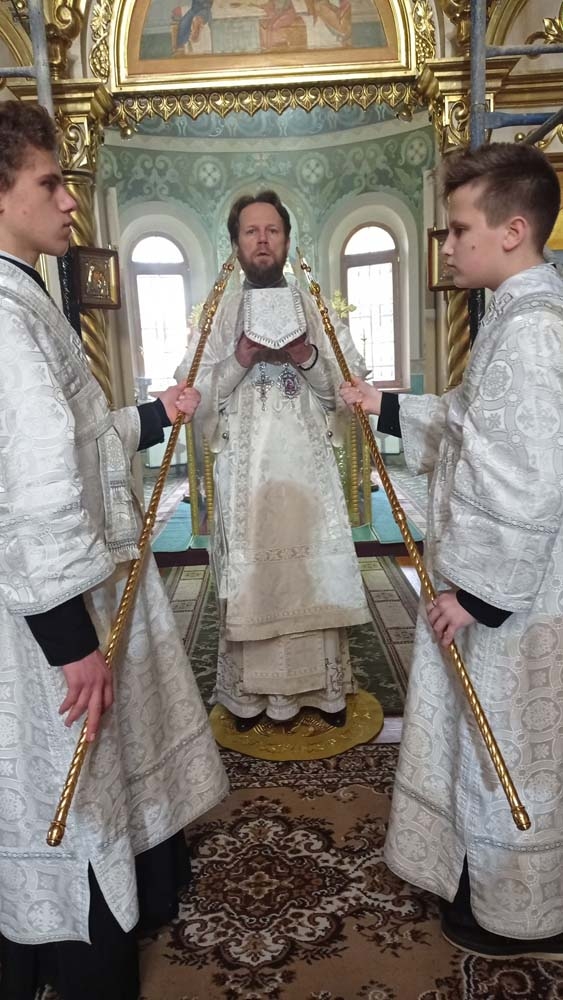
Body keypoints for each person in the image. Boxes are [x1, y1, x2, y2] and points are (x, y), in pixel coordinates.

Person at [0, 101, 228, 1000]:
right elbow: (34, 485)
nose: (70, 202)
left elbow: (79, 439)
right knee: (68, 779)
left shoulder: (23, 295)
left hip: (54, 590)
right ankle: (77, 958)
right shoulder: (5, 316)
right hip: (43, 606)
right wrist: (71, 641)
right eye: (51, 182)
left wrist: (152, 415)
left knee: (86, 769)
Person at [340, 142, 563, 958]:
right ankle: (492, 884)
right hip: (513, 587)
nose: (446, 245)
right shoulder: (517, 313)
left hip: (516, 596)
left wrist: (475, 597)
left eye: (459, 228)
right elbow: (466, 422)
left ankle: (520, 911)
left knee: (513, 748)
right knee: (495, 742)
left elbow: (524, 480)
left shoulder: (532, 331)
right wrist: (382, 404)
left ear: (511, 230)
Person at [185, 190, 370, 732]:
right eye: (251, 231)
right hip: (247, 478)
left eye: (272, 230)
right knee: (255, 581)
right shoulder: (219, 313)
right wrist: (240, 357)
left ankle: (322, 692)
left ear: (287, 241)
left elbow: (345, 393)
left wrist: (305, 355)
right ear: (236, 244)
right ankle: (251, 698)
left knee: (310, 573)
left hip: (307, 473)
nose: (262, 240)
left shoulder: (314, 307)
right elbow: (196, 399)